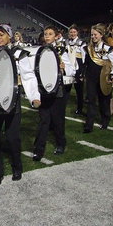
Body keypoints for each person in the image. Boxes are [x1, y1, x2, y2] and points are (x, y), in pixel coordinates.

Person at [0, 24, 40, 189]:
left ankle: (17, 167)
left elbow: (28, 76)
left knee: (12, 137)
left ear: (9, 36)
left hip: (12, 101)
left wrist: (34, 96)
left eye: (2, 35)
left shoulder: (18, 54)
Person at [33, 26, 76, 161]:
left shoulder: (61, 50)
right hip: (43, 91)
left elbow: (72, 69)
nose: (47, 36)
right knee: (44, 120)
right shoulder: (40, 50)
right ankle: (39, 150)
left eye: (50, 34)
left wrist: (64, 67)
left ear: (56, 36)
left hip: (57, 90)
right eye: (45, 34)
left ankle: (61, 143)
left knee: (58, 120)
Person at [83, 23, 113, 133]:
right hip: (91, 78)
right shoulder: (88, 48)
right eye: (92, 35)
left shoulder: (108, 49)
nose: (93, 37)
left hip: (104, 78)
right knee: (91, 101)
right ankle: (89, 125)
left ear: (101, 35)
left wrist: (112, 74)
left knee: (104, 100)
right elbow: (86, 63)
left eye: (95, 35)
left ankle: (105, 120)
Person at [66, 24, 87, 115]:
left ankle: (79, 109)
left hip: (78, 69)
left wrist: (82, 72)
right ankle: (62, 107)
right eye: (71, 32)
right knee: (66, 89)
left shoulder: (82, 43)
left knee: (79, 91)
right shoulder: (66, 42)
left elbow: (84, 58)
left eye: (74, 32)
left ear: (77, 32)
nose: (72, 33)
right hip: (69, 68)